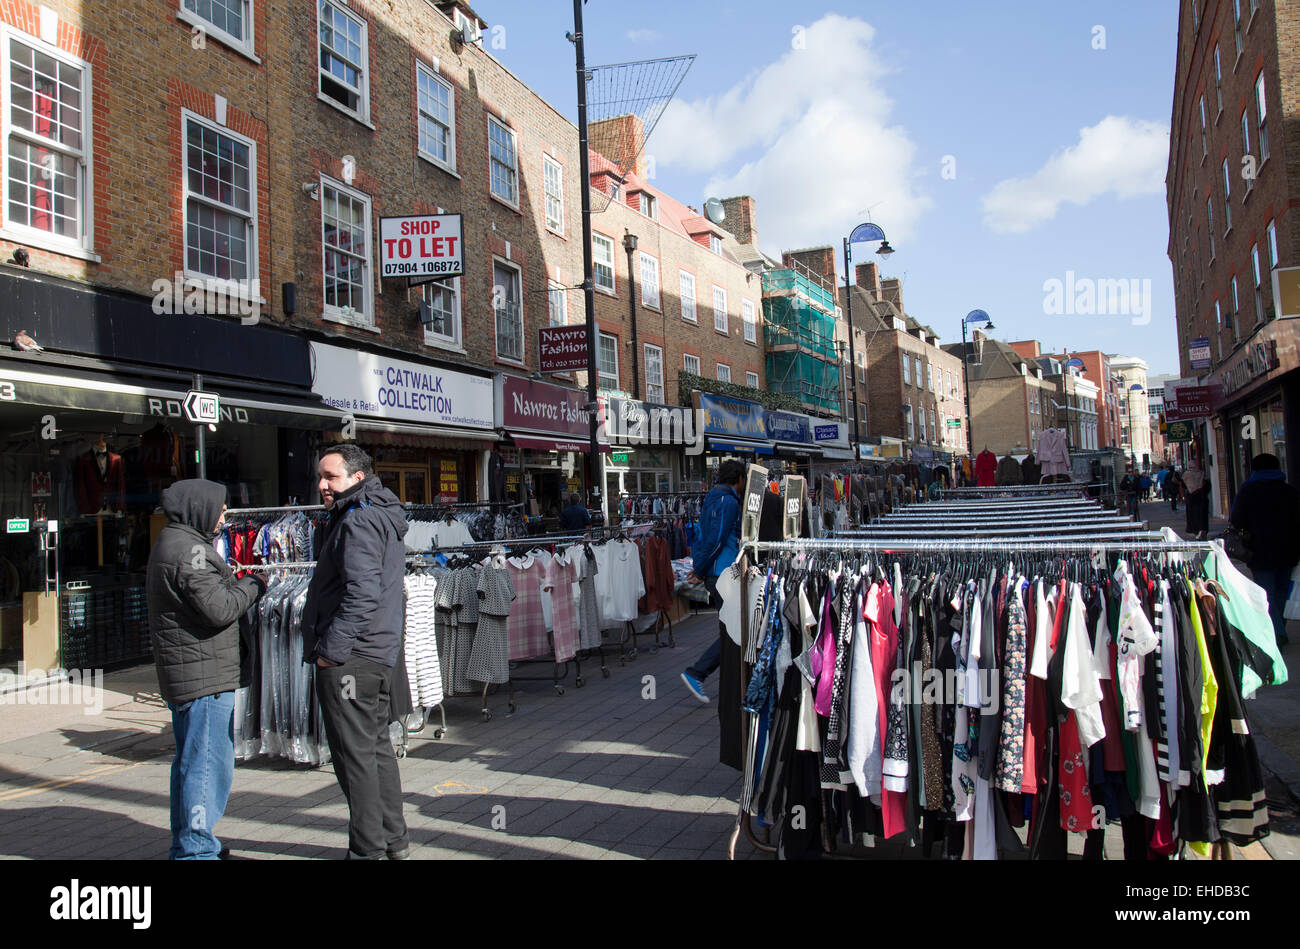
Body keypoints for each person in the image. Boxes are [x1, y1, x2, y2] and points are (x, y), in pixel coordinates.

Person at [302, 444, 411, 859]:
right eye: (321, 476)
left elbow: (362, 595)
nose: (322, 485)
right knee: (375, 751)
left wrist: (332, 650)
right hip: (375, 654)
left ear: (357, 478)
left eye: (331, 477)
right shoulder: (376, 512)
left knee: (355, 760)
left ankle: (367, 850)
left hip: (353, 659)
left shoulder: (357, 521)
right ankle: (393, 842)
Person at [147, 479, 265, 860]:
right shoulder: (189, 551)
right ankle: (196, 851)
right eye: (221, 507)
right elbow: (219, 609)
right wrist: (253, 584)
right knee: (206, 766)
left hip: (193, 674)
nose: (224, 515)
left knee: (191, 762)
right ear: (199, 507)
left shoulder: (177, 543)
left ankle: (191, 843)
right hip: (203, 678)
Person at [680, 459, 745, 703]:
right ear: (737, 478)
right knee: (733, 631)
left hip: (717, 573)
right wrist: (701, 569)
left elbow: (702, 536)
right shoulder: (727, 501)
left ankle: (712, 677)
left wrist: (700, 568)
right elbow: (716, 540)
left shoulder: (712, 498)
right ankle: (697, 672)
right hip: (723, 574)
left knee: (730, 629)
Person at [1229, 452, 1300, 648]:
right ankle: (1279, 629)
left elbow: (1236, 520)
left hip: (1259, 550)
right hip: (1288, 550)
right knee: (1281, 592)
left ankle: (1277, 631)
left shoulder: (1247, 490)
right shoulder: (1289, 491)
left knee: (1266, 593)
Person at [1183, 459, 1210, 539]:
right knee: (1202, 516)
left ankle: (1195, 531)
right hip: (1201, 497)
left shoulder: (1186, 475)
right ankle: (1202, 530)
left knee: (1193, 516)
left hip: (1191, 499)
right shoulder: (1201, 473)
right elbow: (1207, 485)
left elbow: (1183, 484)